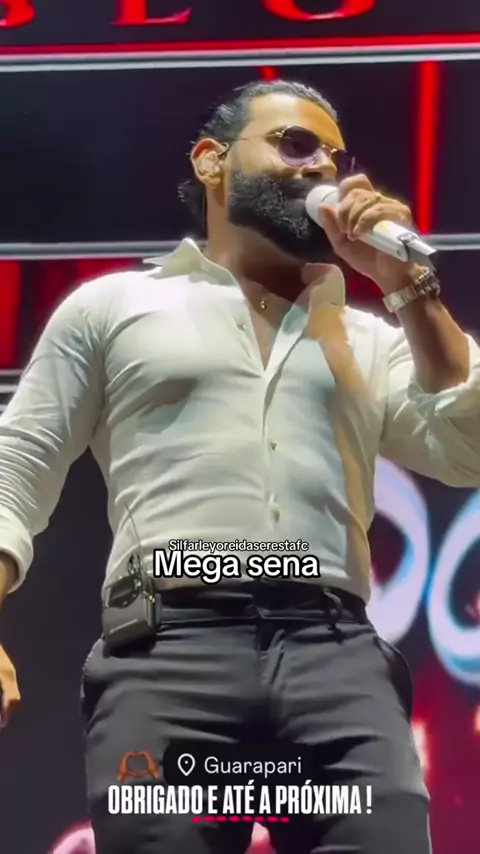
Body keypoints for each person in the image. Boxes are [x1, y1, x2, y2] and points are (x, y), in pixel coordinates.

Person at [0, 78, 479, 854]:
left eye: (335, 157)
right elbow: (18, 466)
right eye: (296, 144)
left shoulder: (370, 338)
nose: (322, 166)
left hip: (335, 655)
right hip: (168, 652)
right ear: (211, 160)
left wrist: (409, 288)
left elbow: (468, 449)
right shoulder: (112, 308)